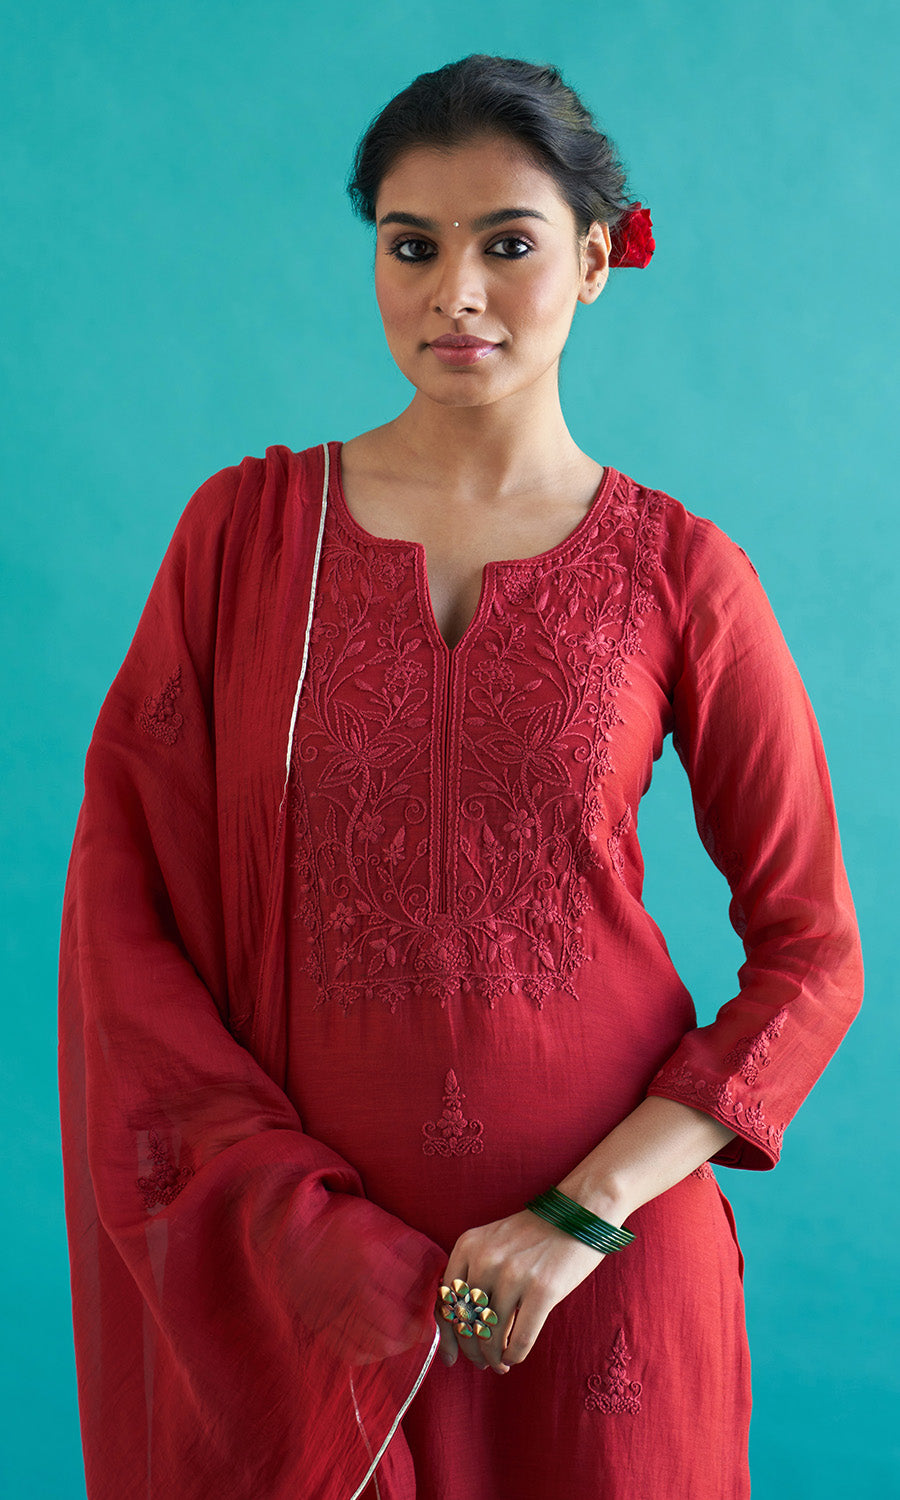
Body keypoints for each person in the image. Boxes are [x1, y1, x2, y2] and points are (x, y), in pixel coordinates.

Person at [59, 54, 863, 1500]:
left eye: (509, 243)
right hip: (306, 1292)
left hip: (605, 1284)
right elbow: (126, 916)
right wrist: (302, 1236)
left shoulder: (682, 573)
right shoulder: (245, 538)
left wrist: (583, 1215)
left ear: (598, 260)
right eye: (412, 246)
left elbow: (813, 958)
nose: (458, 295)